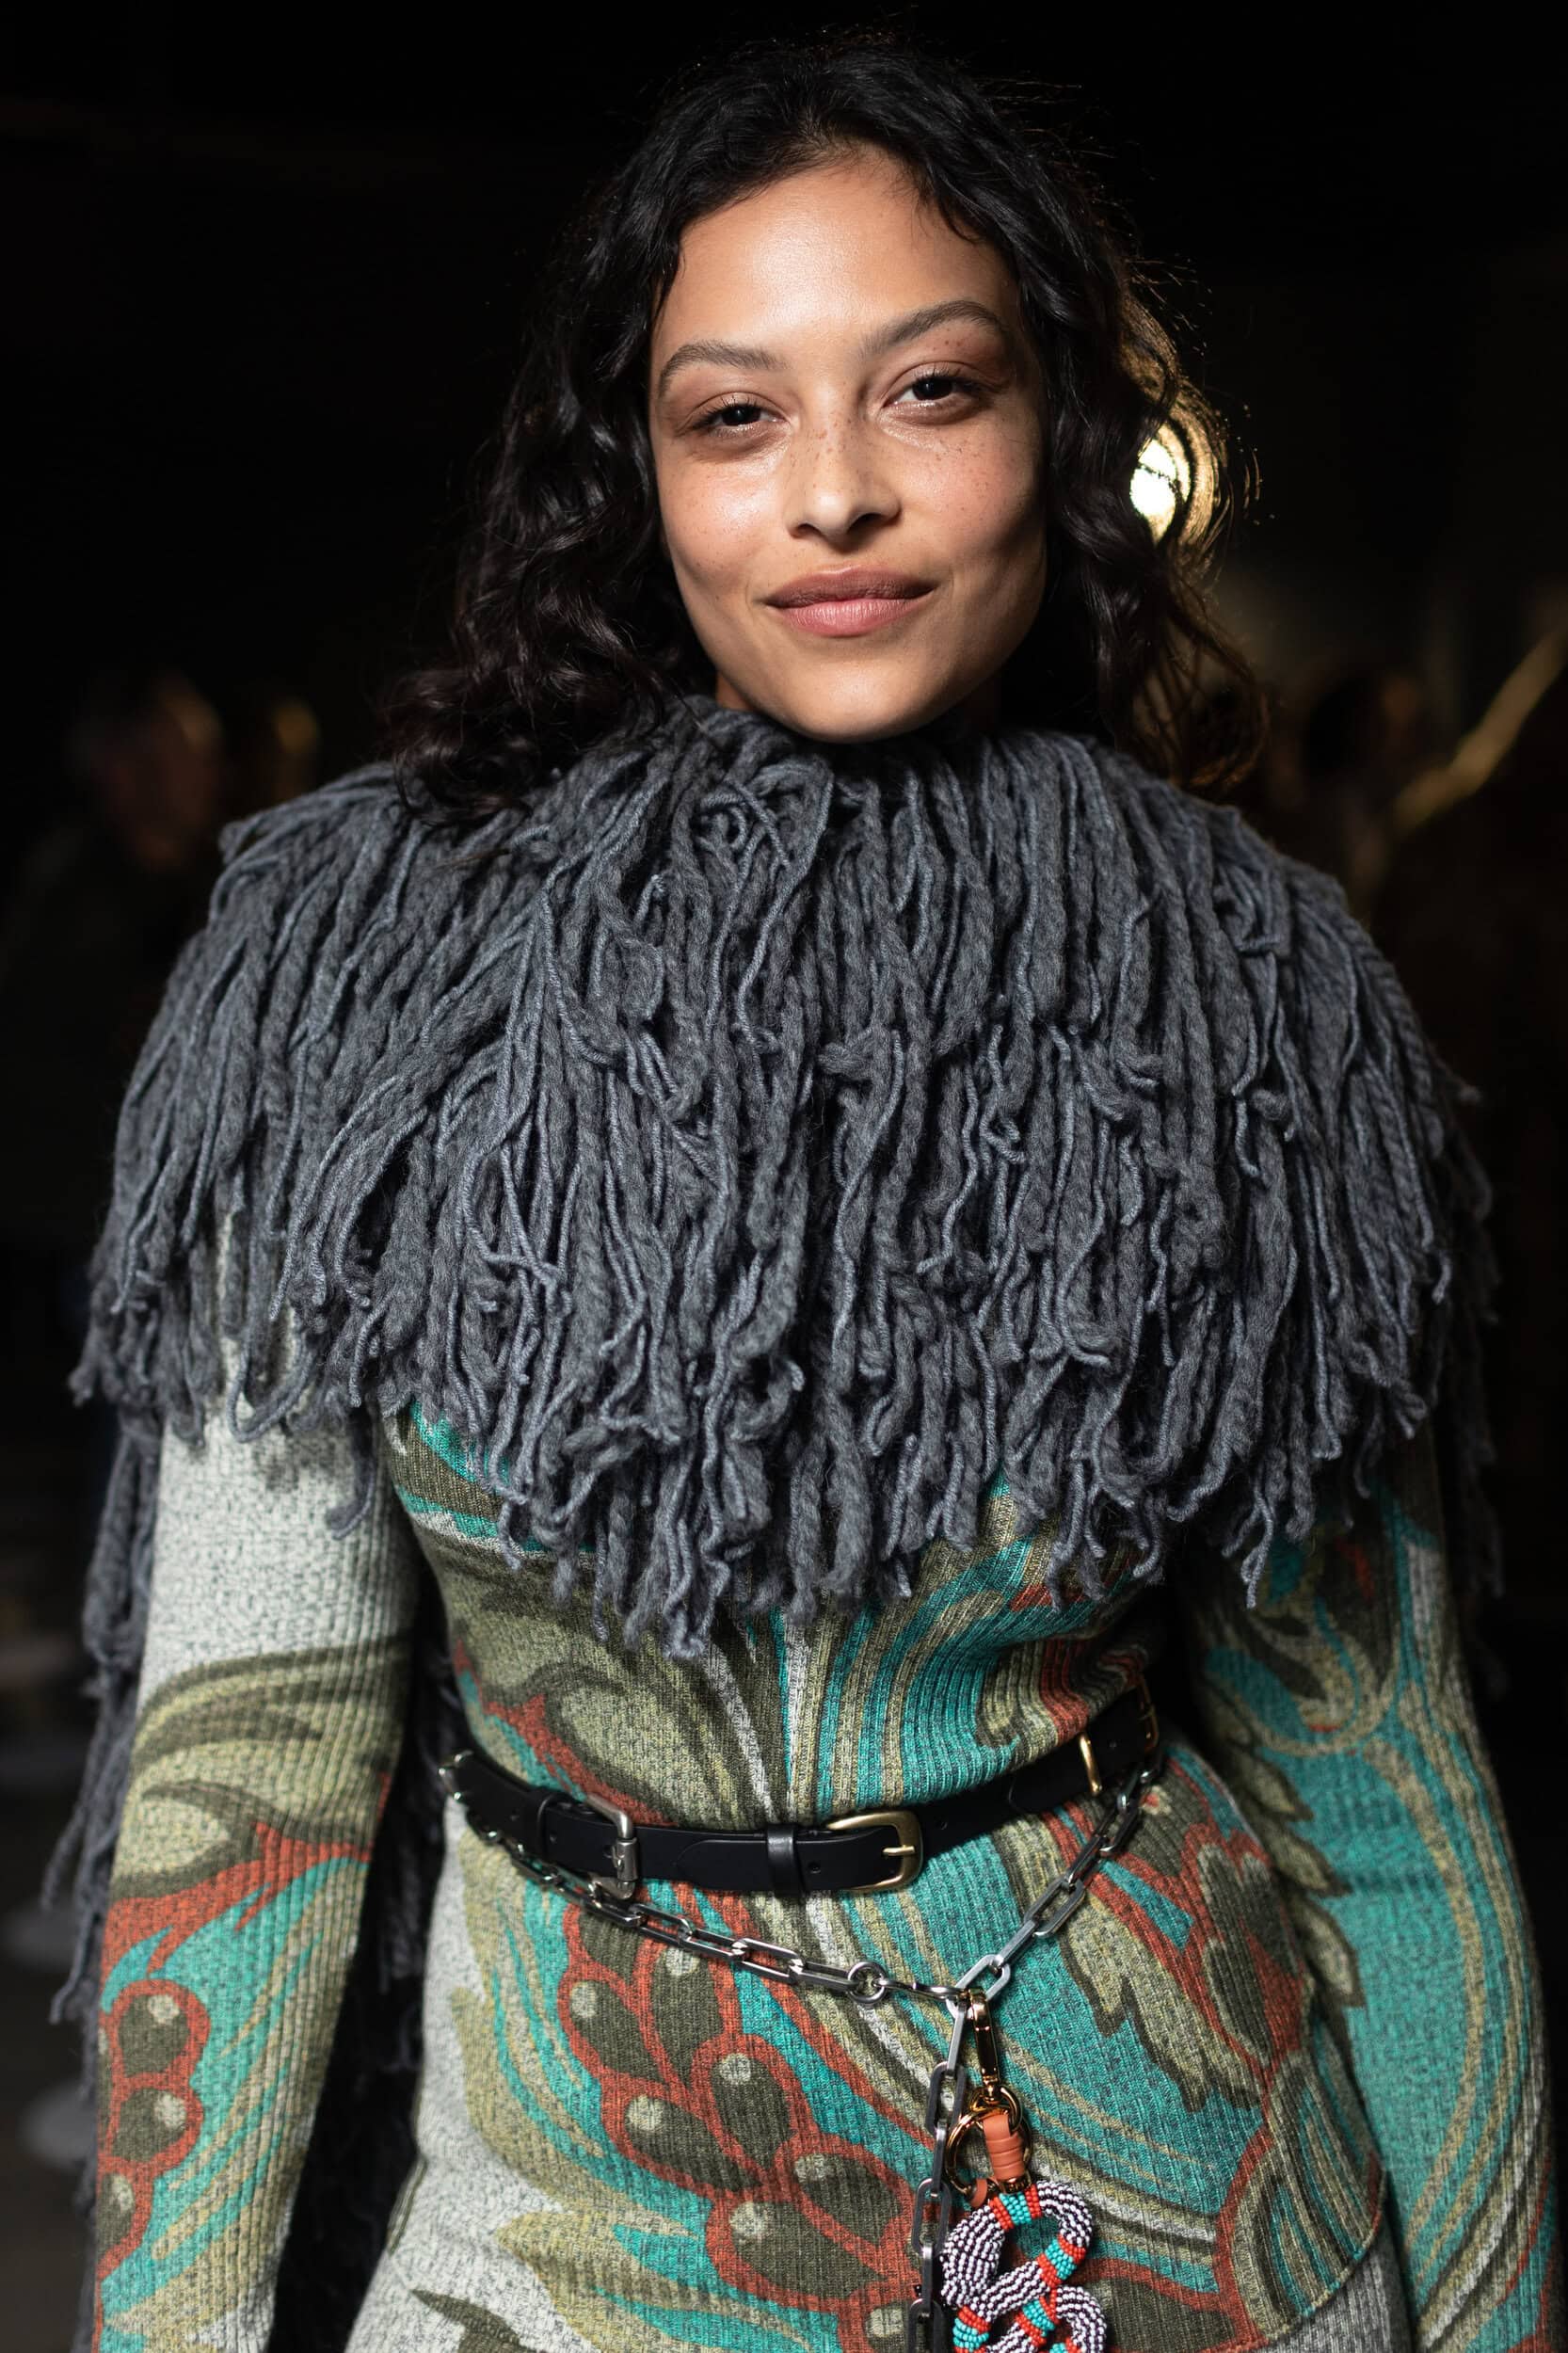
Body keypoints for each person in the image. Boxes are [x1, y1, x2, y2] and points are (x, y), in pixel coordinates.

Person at [51, 33, 1560, 2353]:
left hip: (1188, 2220)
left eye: (928, 391)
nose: (834, 493)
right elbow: (243, 1773)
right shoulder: (353, 981)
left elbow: (1379, 1797)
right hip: (566, 2221)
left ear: (1053, 428)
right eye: (732, 415)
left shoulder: (1249, 1001)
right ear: (632, 472)